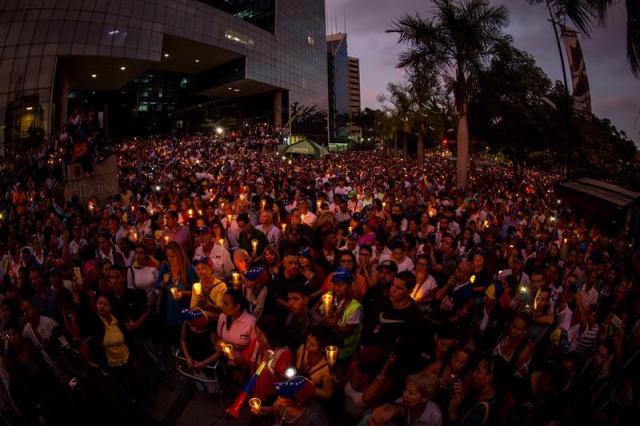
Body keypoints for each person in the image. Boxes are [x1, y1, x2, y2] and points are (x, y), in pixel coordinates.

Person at [155, 242, 198, 344]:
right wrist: (164, 282)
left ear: (179, 255)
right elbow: (157, 285)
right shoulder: (166, 267)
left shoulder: (189, 269)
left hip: (184, 308)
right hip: (169, 308)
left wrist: (183, 293)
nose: (170, 259)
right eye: (168, 256)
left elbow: (197, 290)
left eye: (173, 256)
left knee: (183, 335)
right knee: (172, 335)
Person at [321, 268, 363, 361]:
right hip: (330, 338)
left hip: (345, 346)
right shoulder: (329, 296)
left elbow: (347, 330)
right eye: (336, 283)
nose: (338, 286)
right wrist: (324, 314)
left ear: (349, 287)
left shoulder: (355, 306)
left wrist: (334, 324)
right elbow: (319, 312)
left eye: (342, 283)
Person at [448, 357, 501, 426]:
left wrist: (452, 414)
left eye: (479, 372)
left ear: (489, 378)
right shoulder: (478, 392)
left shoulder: (484, 409)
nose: (474, 374)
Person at [295, 326, 335, 400]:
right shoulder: (302, 349)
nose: (307, 345)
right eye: (307, 340)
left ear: (323, 349)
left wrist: (309, 388)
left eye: (312, 344)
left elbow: (328, 393)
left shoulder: (326, 368)